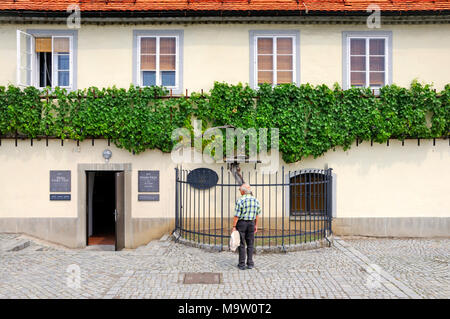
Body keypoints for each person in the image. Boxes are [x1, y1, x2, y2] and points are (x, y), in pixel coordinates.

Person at [232, 183, 261, 270]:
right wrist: (256, 225)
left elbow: (236, 215)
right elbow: (257, 214)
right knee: (250, 244)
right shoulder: (255, 200)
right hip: (251, 223)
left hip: (242, 223)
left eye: (240, 190)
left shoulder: (240, 200)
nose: (239, 191)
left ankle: (241, 264)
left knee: (241, 244)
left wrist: (234, 226)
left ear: (243, 191)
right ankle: (250, 263)